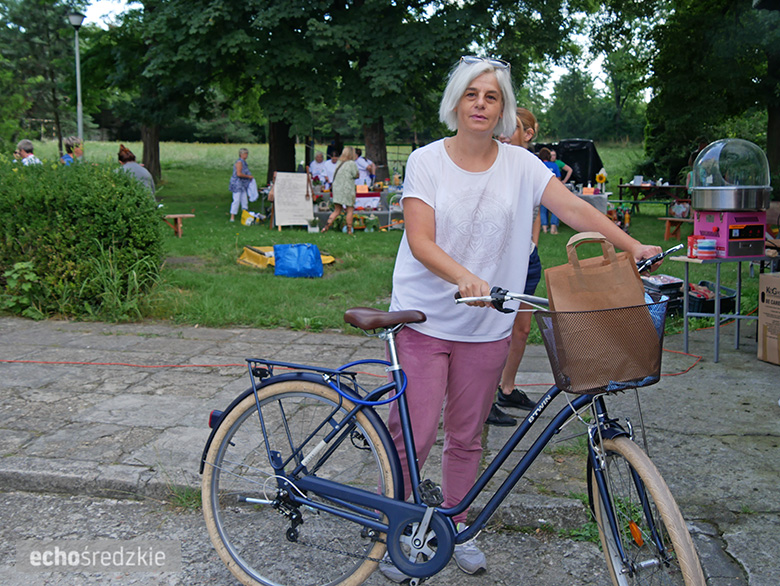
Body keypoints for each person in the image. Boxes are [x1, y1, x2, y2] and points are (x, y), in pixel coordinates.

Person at [381, 55, 661, 583]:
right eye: (472, 95)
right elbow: (419, 239)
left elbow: (577, 210)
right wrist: (465, 277)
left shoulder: (524, 166)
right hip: (424, 315)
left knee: (465, 437)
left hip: (488, 323)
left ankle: (456, 527)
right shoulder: (426, 161)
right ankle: (393, 526)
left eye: (491, 97)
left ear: (504, 108)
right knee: (413, 435)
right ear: (456, 103)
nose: (481, 104)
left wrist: (630, 246)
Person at [488, 107, 542, 426]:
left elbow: (535, 212)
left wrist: (532, 244)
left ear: (529, 134)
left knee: (521, 330)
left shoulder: (533, 168)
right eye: (501, 127)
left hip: (528, 260)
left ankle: (506, 389)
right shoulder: (494, 165)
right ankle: (483, 398)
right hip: (498, 263)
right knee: (495, 332)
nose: (504, 132)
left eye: (512, 127)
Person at [321, 146, 359, 233]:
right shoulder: (351, 163)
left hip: (337, 189)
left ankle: (325, 228)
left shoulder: (339, 162)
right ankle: (349, 230)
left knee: (337, 210)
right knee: (349, 210)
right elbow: (356, 175)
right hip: (347, 189)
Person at [538, 147, 561, 234]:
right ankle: (553, 228)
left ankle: (544, 229)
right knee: (555, 209)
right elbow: (558, 179)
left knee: (543, 210)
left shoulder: (538, 165)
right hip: (553, 190)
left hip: (542, 190)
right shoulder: (554, 165)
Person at [228, 148, 252, 221]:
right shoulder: (239, 162)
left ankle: (245, 215)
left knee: (244, 200)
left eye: (247, 153)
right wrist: (248, 176)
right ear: (241, 154)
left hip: (243, 184)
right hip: (237, 183)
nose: (246, 155)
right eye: (245, 154)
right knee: (236, 200)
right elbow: (238, 174)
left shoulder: (244, 163)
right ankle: (232, 216)